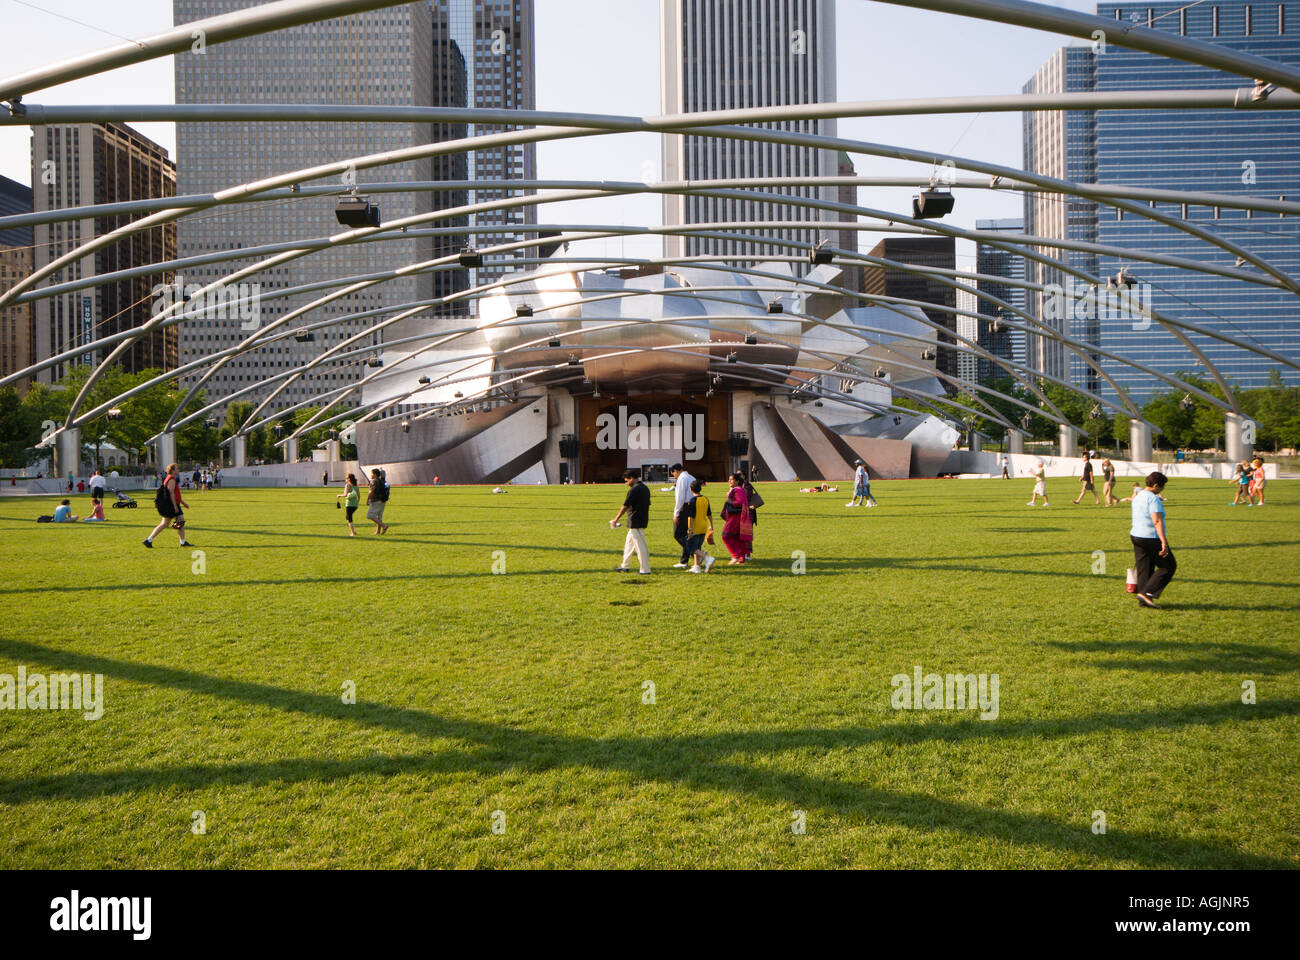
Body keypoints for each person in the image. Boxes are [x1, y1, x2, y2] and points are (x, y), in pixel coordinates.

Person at [1130, 471, 1175, 609]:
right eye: (1162, 486)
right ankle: (1147, 593)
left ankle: (1144, 601)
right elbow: (1157, 521)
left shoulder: (1138, 496)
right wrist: (1163, 541)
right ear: (1156, 485)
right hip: (1150, 537)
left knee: (1145, 568)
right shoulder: (1153, 499)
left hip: (1136, 535)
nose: (1162, 489)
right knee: (1168, 566)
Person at [611, 468, 651, 574]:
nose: (626, 483)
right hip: (641, 519)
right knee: (629, 544)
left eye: (626, 481)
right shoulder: (645, 488)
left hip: (635, 521)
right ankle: (625, 566)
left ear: (632, 478)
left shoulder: (634, 489)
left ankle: (645, 570)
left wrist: (616, 519)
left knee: (640, 546)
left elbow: (625, 506)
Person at [143, 463, 194, 548]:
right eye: (177, 468)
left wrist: (183, 503)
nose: (178, 470)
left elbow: (175, 494)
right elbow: (171, 494)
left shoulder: (170, 478)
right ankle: (183, 542)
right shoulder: (171, 480)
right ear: (173, 470)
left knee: (167, 523)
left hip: (172, 504)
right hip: (172, 505)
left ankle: (149, 540)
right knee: (179, 521)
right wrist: (175, 506)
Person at [681, 479, 716, 574]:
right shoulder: (705, 499)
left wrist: (690, 529)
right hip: (703, 526)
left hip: (695, 527)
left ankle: (707, 558)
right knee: (698, 546)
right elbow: (709, 514)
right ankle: (696, 566)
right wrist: (711, 526)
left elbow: (691, 517)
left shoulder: (692, 501)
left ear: (691, 490)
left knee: (691, 547)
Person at [720, 472, 753, 565]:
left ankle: (735, 556)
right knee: (738, 537)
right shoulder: (738, 490)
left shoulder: (737, 490)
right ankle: (742, 559)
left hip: (735, 518)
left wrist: (730, 502)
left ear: (737, 481)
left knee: (725, 535)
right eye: (729, 479)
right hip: (738, 517)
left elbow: (740, 502)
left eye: (732, 479)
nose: (729, 481)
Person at [669, 463, 696, 569]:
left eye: (673, 474)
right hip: (693, 506)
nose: (674, 476)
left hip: (684, 508)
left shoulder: (681, 479)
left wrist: (676, 513)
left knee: (678, 534)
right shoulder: (691, 477)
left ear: (676, 470)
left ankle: (697, 553)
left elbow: (680, 497)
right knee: (686, 535)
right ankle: (684, 561)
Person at [366, 468, 390, 534]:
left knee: (370, 515)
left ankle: (384, 526)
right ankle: (378, 531)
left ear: (375, 474)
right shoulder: (381, 481)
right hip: (383, 500)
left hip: (376, 500)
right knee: (379, 516)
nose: (370, 475)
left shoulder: (374, 481)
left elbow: (371, 491)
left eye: (371, 473)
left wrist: (367, 499)